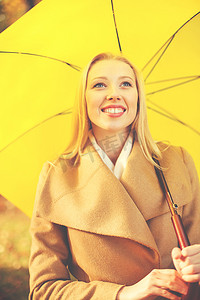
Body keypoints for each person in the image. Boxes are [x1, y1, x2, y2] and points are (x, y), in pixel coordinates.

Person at [29, 53, 200, 300]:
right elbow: (43, 290)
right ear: (83, 99)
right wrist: (122, 294)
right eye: (99, 84)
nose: (114, 94)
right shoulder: (57, 176)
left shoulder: (177, 161)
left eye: (126, 84)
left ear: (138, 98)